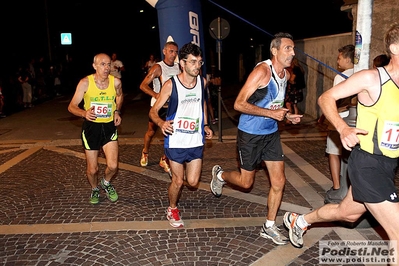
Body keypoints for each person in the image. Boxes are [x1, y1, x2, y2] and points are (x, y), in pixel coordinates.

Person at [284, 24, 399, 260]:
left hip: (388, 166)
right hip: (368, 164)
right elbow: (326, 98)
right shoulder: (372, 78)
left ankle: (300, 220)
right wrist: (343, 127)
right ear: (394, 47)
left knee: (347, 213)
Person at [210, 32, 302, 245]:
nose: (292, 53)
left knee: (279, 181)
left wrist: (287, 115)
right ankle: (221, 175)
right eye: (287, 48)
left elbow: (275, 105)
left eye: (293, 49)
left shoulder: (286, 75)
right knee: (246, 182)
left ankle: (269, 226)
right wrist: (272, 114)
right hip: (250, 134)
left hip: (270, 135)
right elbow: (238, 104)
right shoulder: (262, 72)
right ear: (275, 50)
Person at [149, 42, 213, 228]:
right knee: (178, 180)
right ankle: (172, 208)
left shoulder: (202, 82)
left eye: (199, 62)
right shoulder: (171, 85)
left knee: (192, 182)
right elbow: (153, 111)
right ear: (182, 64)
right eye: (193, 62)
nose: (197, 66)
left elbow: (202, 104)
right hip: (176, 139)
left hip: (195, 138)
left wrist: (206, 124)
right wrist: (161, 123)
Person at [68, 53, 123, 205]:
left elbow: (119, 96)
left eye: (108, 64)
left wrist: (117, 111)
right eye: (102, 64)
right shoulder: (85, 83)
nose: (106, 68)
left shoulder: (116, 82)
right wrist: (84, 113)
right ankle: (94, 188)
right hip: (91, 128)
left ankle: (106, 182)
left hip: (109, 127)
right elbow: (71, 106)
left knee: (113, 166)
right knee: (93, 170)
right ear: (95, 66)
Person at [139, 41, 181, 176]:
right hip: (157, 107)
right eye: (171, 51)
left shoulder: (178, 67)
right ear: (164, 52)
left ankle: (164, 159)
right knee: (151, 132)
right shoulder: (158, 67)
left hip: (172, 107)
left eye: (175, 52)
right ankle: (145, 151)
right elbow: (143, 85)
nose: (173, 54)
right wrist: (156, 95)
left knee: (172, 134)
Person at [322, 44, 355, 202]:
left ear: (348, 59)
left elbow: (333, 100)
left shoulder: (340, 76)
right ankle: (350, 187)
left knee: (334, 152)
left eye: (340, 57)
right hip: (355, 120)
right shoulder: (361, 73)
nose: (337, 60)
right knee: (350, 154)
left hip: (340, 118)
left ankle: (337, 186)